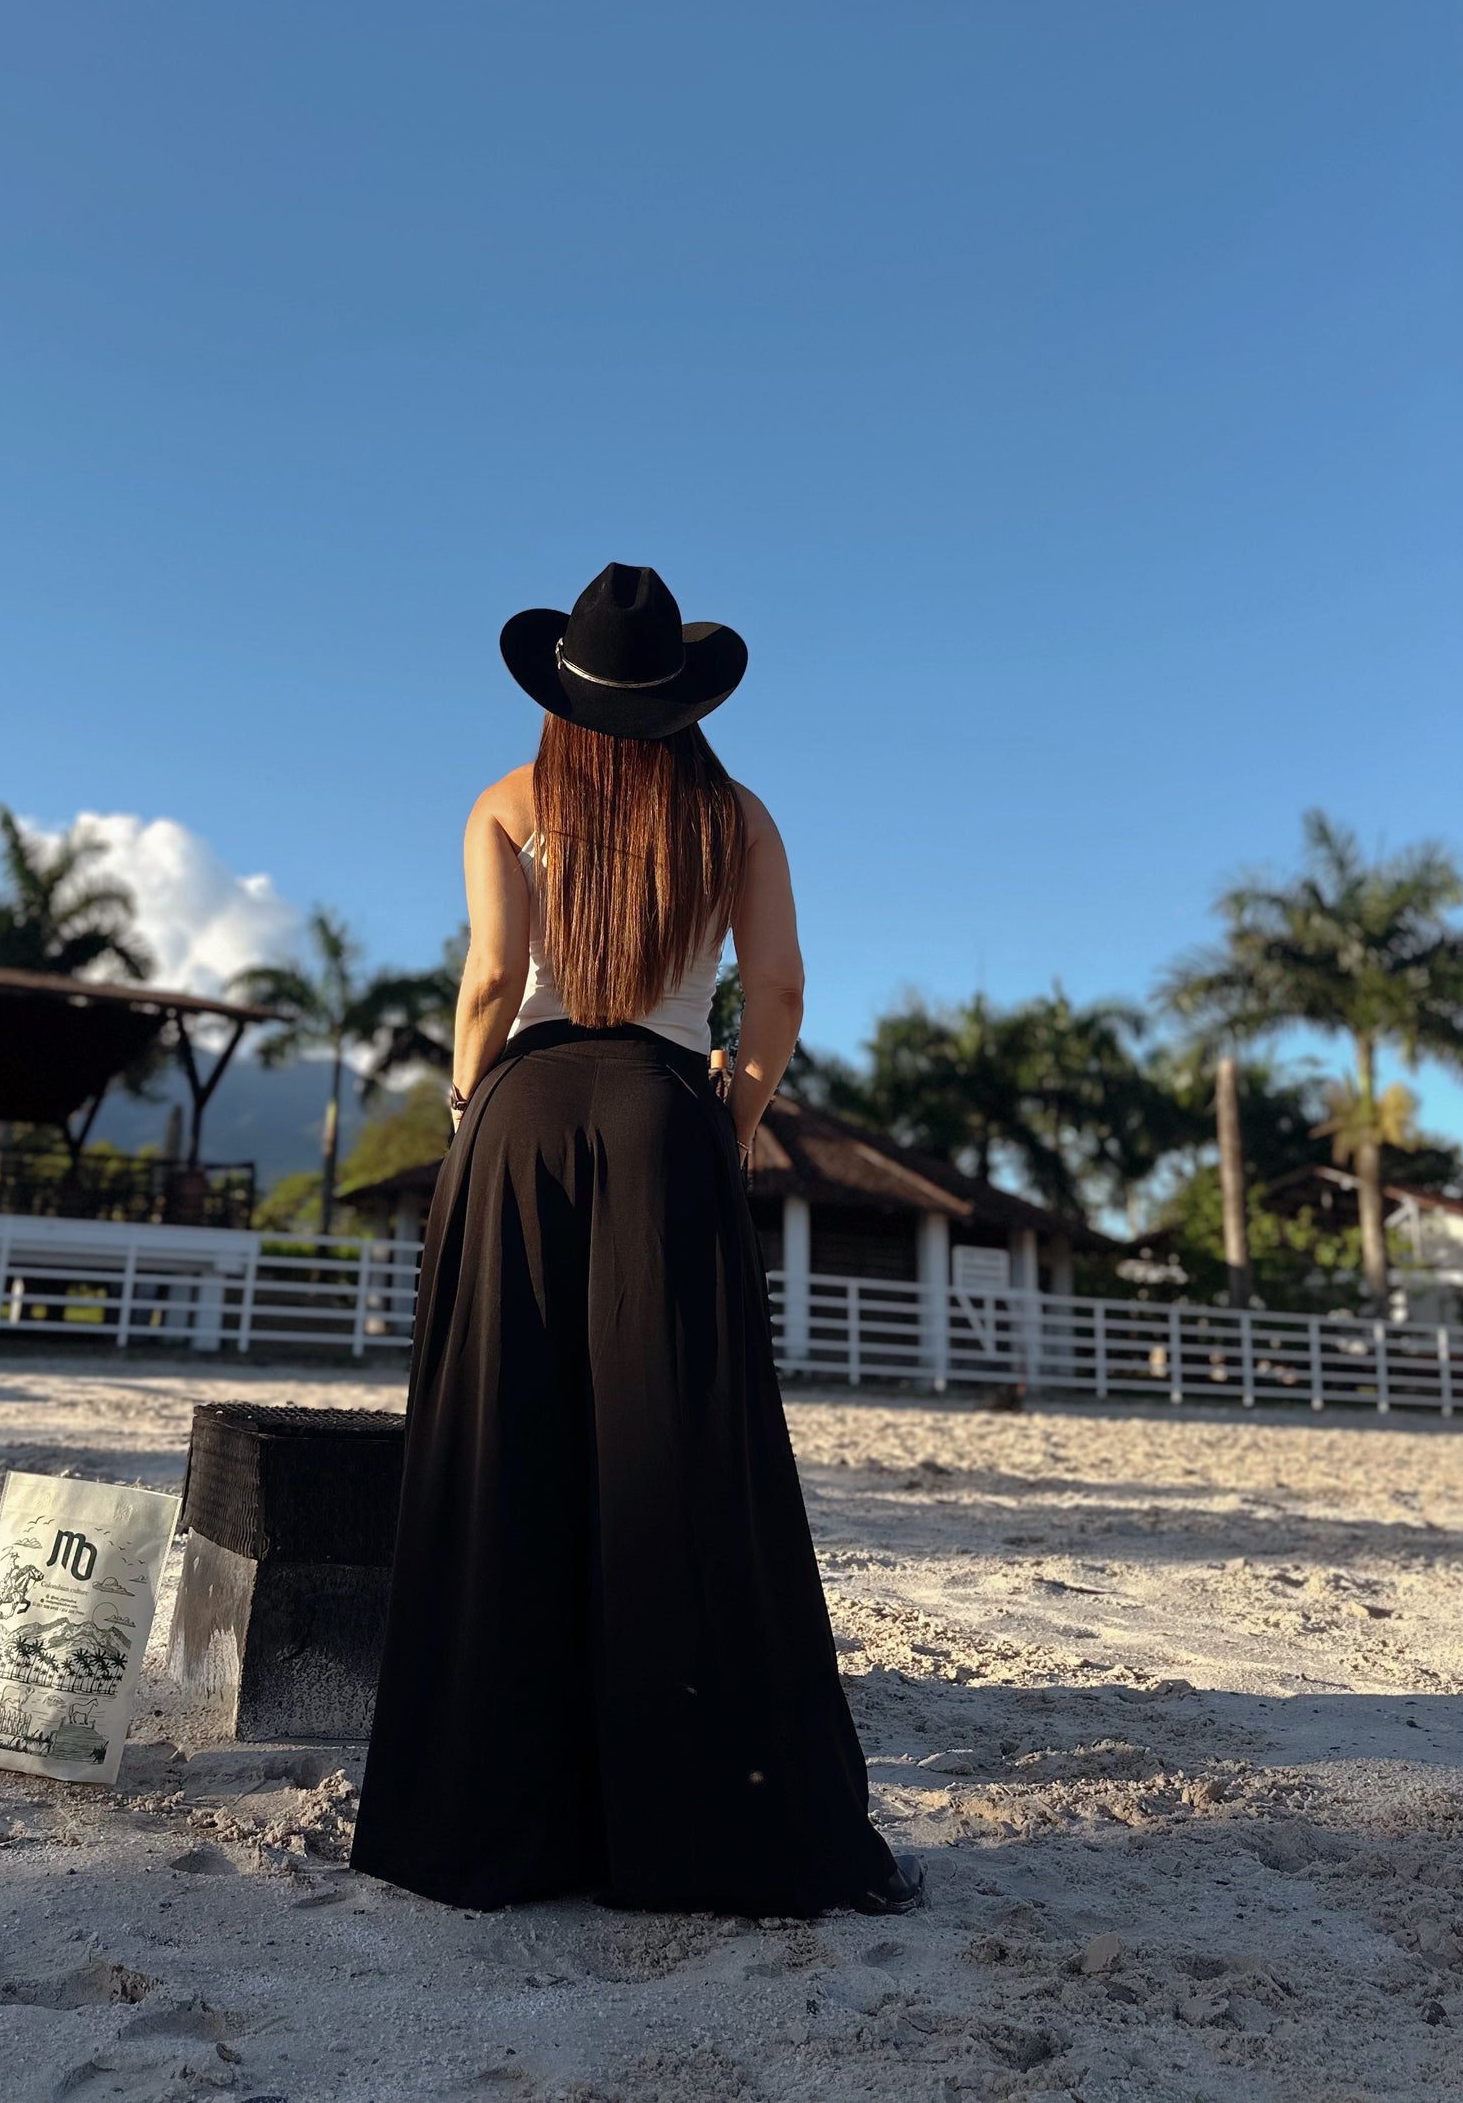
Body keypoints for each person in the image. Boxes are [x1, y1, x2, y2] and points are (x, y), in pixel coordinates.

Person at [350, 562, 925, 1918]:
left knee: (503, 1442)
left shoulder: (509, 800)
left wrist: (463, 1107)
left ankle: (490, 1818)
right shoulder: (735, 814)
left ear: (562, 691)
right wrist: (733, 1114)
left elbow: (492, 982)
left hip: (523, 1117)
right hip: (667, 1120)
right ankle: (697, 1822)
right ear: (684, 699)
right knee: (677, 1451)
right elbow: (776, 992)